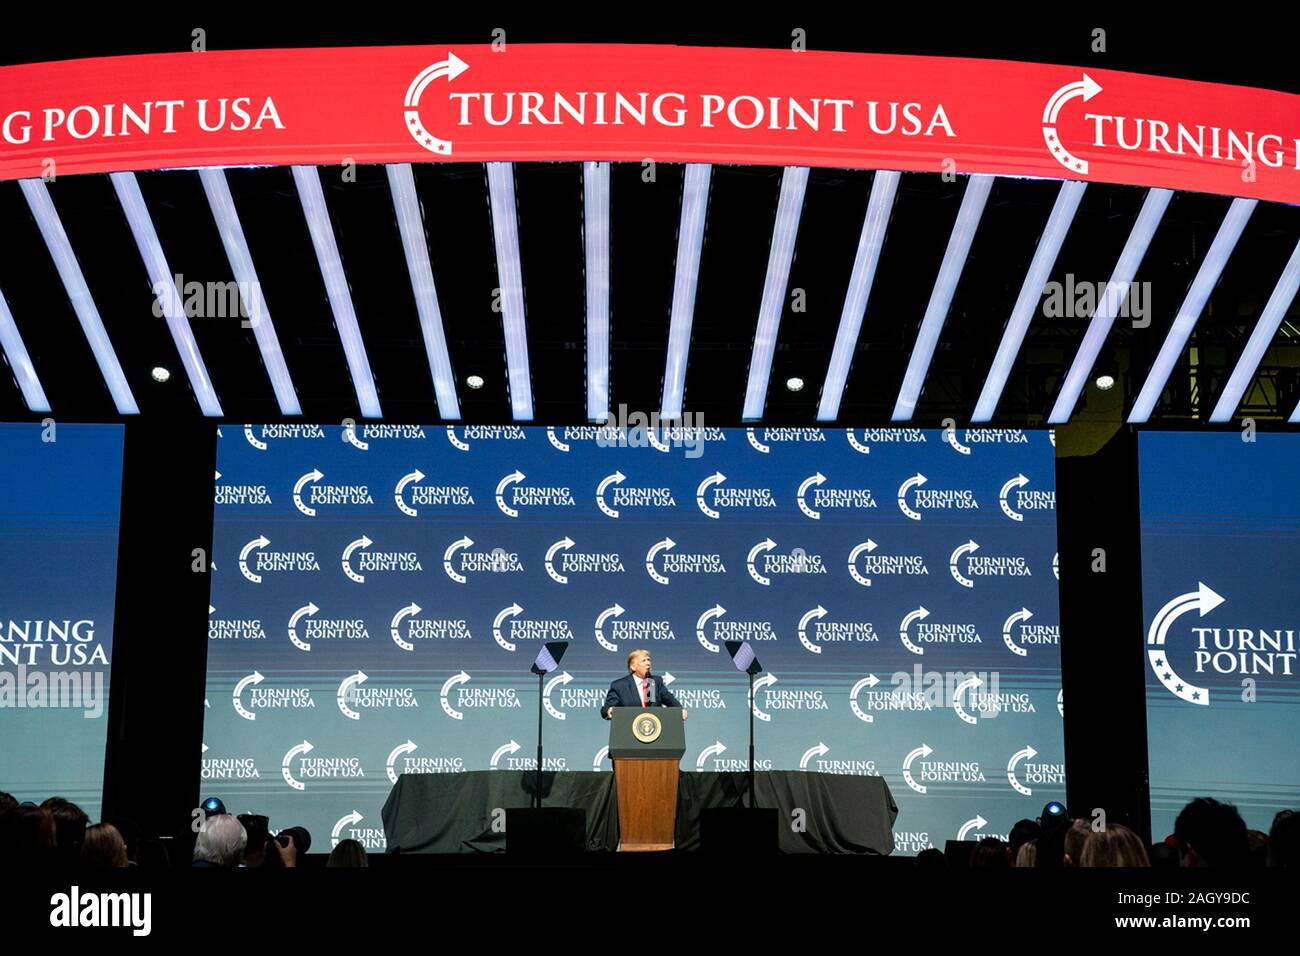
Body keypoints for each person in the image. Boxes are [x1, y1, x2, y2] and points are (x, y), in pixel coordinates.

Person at [601, 649, 686, 721]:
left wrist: (681, 710)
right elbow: (605, 710)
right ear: (633, 667)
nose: (648, 663)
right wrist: (609, 711)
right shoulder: (620, 686)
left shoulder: (656, 682)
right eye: (643, 661)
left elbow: (671, 701)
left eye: (648, 660)